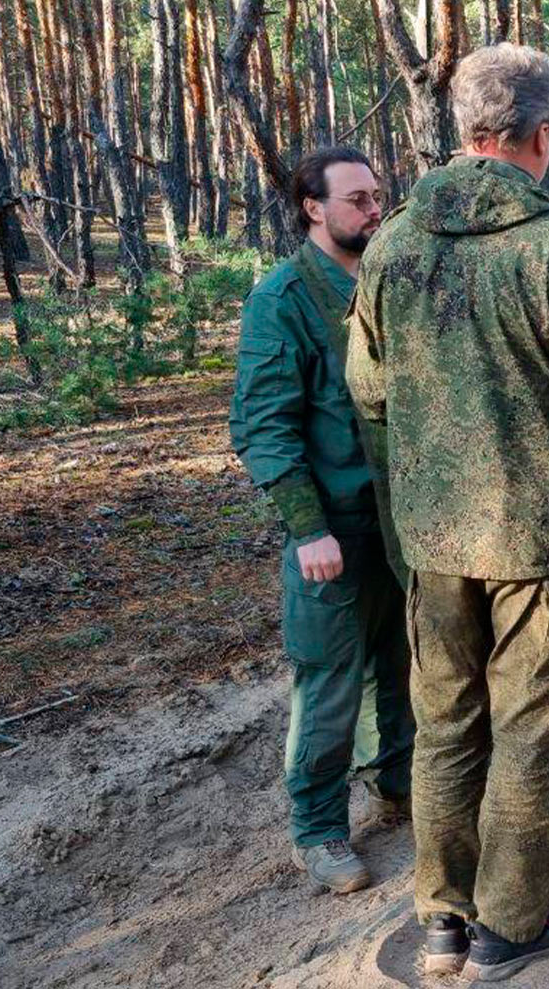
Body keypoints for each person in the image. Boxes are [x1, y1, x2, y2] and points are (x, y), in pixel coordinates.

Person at [344, 43, 549, 981]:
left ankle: (442, 918)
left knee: (447, 724)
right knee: (530, 728)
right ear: (543, 136)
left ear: (464, 129)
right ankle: (513, 923)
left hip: (436, 539)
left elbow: (368, 383)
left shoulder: (397, 241)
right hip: (541, 538)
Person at [228, 147, 414, 895]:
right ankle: (320, 828)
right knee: (329, 683)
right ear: (313, 207)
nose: (375, 211)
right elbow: (263, 427)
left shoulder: (383, 283)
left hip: (398, 524)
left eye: (377, 197)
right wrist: (308, 529)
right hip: (331, 528)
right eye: (359, 200)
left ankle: (399, 781)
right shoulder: (283, 299)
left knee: (401, 667)